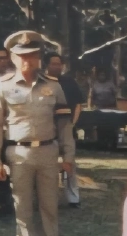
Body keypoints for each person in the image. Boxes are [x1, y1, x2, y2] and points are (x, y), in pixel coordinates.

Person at [0, 31, 75, 236]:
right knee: (23, 210)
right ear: (13, 58)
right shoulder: (1, 87)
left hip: (48, 152)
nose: (28, 60)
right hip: (18, 154)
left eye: (34, 55)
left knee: (50, 209)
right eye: (23, 56)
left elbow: (64, 125)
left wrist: (68, 156)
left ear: (39, 57)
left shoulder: (53, 86)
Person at [44, 53, 85, 209]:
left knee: (69, 164)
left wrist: (73, 123)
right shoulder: (41, 82)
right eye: (53, 64)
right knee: (48, 166)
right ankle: (49, 198)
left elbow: (78, 104)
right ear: (47, 65)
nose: (56, 66)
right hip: (46, 129)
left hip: (66, 126)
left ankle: (73, 198)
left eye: (59, 64)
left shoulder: (69, 82)